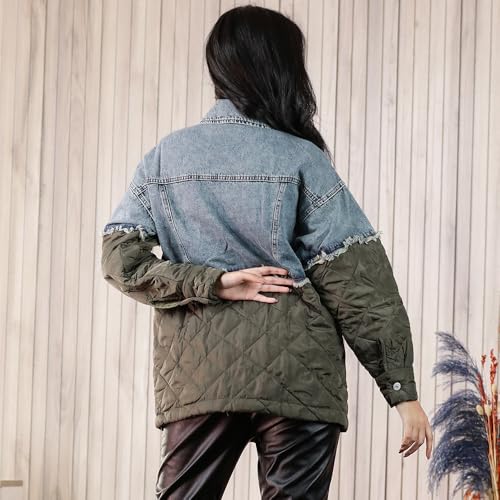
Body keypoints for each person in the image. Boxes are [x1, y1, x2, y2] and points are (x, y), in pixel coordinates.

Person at [100, 5, 433, 499]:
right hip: (299, 377)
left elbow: (119, 260)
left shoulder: (165, 157)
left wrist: (210, 283)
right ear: (281, 68)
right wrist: (402, 392)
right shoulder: (302, 157)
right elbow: (359, 282)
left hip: (199, 376)